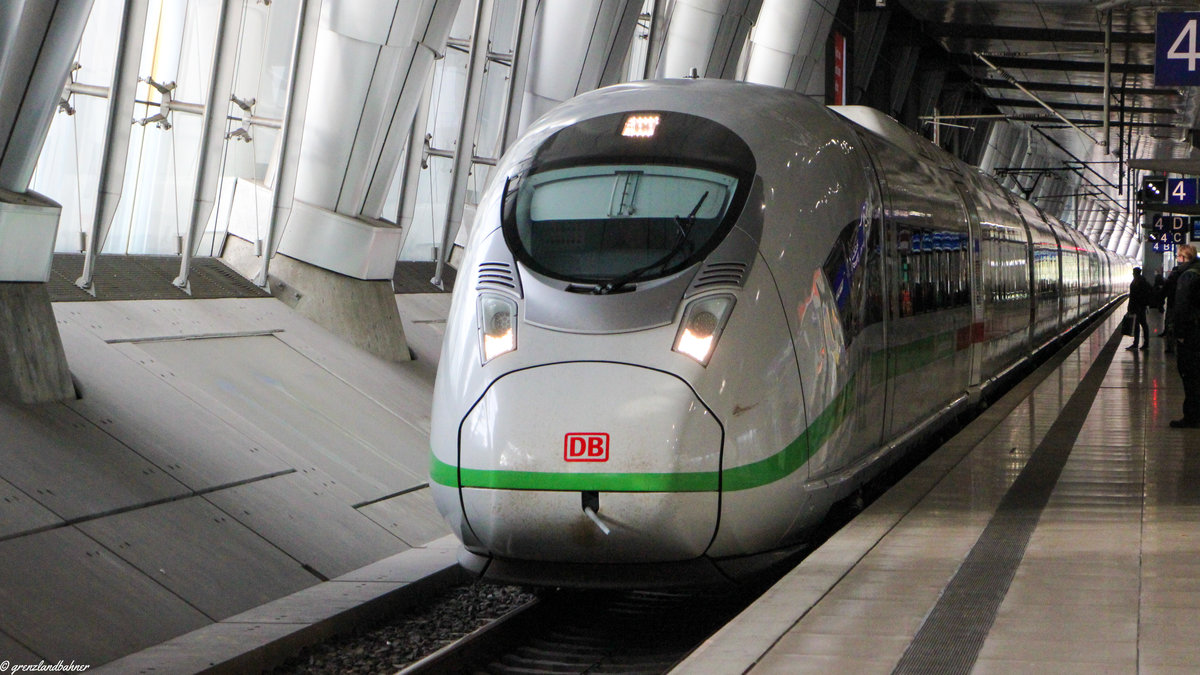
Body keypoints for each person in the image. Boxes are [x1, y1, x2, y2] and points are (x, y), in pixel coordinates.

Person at [1170, 244, 1200, 428]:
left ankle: (1191, 417)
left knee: (1189, 375)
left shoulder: (1186, 276)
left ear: (1182, 258)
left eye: (1178, 257)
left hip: (1191, 334)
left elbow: (1181, 307)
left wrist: (1179, 333)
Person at [1126, 266, 1153, 351]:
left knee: (1138, 325)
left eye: (1133, 272)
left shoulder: (1137, 282)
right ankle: (1145, 343)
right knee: (1143, 325)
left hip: (1137, 307)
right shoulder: (1143, 281)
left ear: (1135, 273)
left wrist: (1130, 307)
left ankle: (1137, 344)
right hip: (1141, 307)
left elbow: (1134, 297)